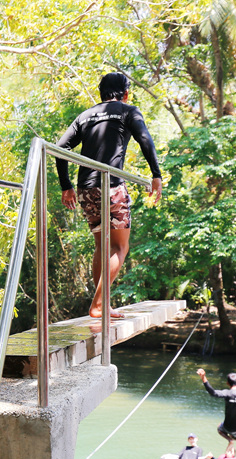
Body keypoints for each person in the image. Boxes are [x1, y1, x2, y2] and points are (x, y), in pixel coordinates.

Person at [55, 72, 163, 319]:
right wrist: (155, 173)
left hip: (86, 188)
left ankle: (101, 305)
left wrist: (66, 186)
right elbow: (144, 138)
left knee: (101, 247)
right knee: (120, 247)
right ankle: (99, 304)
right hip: (111, 184)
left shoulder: (86, 115)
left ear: (101, 94)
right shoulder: (128, 111)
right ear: (125, 93)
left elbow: (61, 148)